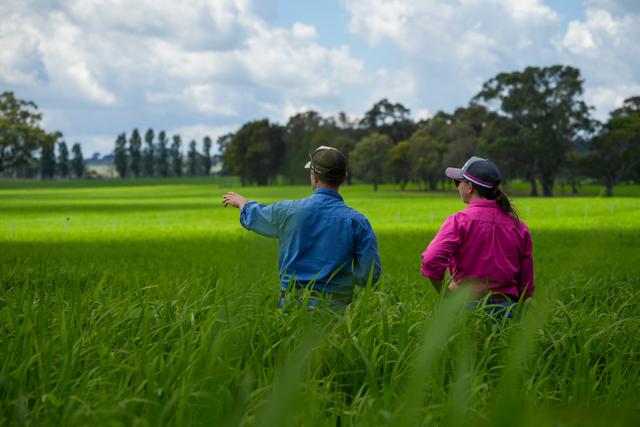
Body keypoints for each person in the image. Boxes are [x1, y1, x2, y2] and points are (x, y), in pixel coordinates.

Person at [222, 146, 381, 310]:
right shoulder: (358, 222)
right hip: (337, 311)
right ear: (344, 176)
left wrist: (242, 203)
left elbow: (257, 216)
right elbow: (369, 276)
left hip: (291, 307)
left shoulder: (289, 212)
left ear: (314, 176)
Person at [421, 156, 534, 315]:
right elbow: (527, 287)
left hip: (465, 309)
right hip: (508, 310)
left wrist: (446, 295)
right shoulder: (519, 227)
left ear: (469, 187)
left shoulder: (458, 221)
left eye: (457, 182)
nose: (456, 187)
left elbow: (430, 260)